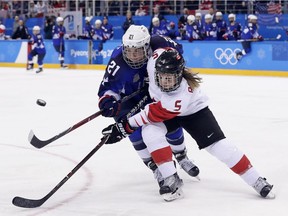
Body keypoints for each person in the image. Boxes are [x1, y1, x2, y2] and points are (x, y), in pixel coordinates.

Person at [102, 48, 276, 200]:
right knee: (150, 133)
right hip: (164, 110)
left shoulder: (181, 94)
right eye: (162, 78)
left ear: (179, 75)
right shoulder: (154, 61)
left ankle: (256, 180)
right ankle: (171, 179)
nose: (165, 83)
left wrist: (125, 127)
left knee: (220, 147)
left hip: (194, 112)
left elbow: (152, 113)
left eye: (170, 79)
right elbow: (160, 44)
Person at [97, 25, 200, 195]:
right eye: (129, 51)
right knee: (135, 133)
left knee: (172, 125)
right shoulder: (118, 59)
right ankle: (156, 168)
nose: (132, 55)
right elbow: (107, 88)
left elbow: (177, 55)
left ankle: (181, 155)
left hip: (156, 92)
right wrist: (109, 101)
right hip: (130, 99)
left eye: (137, 51)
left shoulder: (159, 42)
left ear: (147, 46)